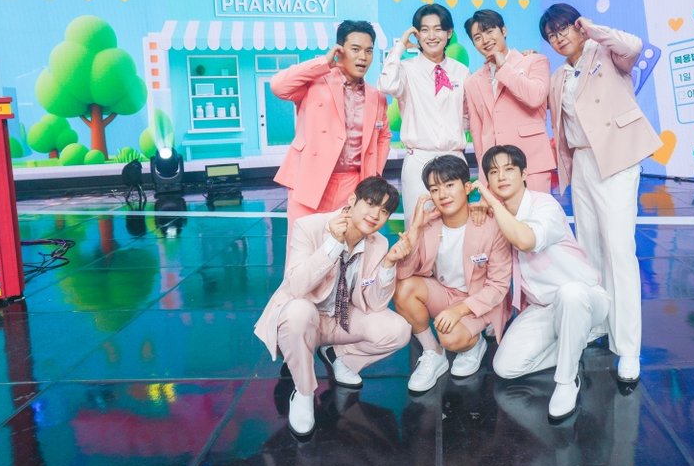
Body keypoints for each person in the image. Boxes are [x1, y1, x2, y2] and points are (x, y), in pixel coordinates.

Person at [541, 3, 662, 387]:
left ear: (579, 26)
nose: (559, 38)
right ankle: (598, 324)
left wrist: (595, 29)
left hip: (617, 158)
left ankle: (628, 347)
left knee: (619, 250)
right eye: (551, 34)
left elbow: (635, 47)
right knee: (590, 249)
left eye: (564, 28)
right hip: (582, 163)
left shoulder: (606, 52)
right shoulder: (559, 76)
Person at [253, 176, 412, 436]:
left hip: (340, 319)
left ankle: (340, 358)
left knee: (399, 330)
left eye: (384, 211)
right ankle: (303, 393)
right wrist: (333, 244)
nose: (375, 215)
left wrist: (388, 265)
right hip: (304, 320)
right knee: (298, 311)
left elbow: (375, 304)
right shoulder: (309, 227)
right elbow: (297, 287)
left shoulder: (379, 243)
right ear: (352, 201)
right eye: (371, 204)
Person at [473, 145, 611, 420]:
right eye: (494, 172)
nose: (501, 177)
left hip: (585, 296)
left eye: (509, 169)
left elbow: (526, 240)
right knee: (505, 367)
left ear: (524, 174)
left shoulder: (544, 205)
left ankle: (567, 381)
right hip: (542, 307)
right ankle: (575, 340)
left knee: (570, 294)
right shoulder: (497, 214)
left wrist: (491, 202)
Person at [392, 154, 512, 392]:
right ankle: (432, 352)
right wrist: (414, 230)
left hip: (478, 300)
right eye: (435, 189)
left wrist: (459, 310)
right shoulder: (428, 224)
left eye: (449, 185)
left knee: (450, 338)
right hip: (445, 293)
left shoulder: (490, 225)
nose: (443, 194)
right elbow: (404, 274)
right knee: (403, 288)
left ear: (466, 188)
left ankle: (474, 345)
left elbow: (499, 285)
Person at [270, 20, 391, 228]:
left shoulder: (376, 97)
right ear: (339, 50)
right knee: (303, 244)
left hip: (354, 185)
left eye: (369, 51)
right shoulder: (315, 83)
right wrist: (323, 63)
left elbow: (384, 136)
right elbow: (278, 86)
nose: (363, 57)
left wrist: (374, 174)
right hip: (310, 179)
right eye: (355, 49)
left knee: (344, 244)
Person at [378, 4, 469, 210]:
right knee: (419, 221)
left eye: (438, 29)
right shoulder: (406, 69)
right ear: (417, 35)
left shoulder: (461, 71)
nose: (432, 36)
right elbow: (387, 85)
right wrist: (400, 47)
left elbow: (467, 114)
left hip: (454, 158)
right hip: (419, 159)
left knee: (456, 222)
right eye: (425, 30)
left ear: (449, 33)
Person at [464, 10, 554, 192]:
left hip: (532, 162)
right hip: (495, 170)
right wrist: (483, 174)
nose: (485, 40)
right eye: (478, 37)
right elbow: (477, 130)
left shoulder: (534, 61)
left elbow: (535, 97)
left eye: (489, 31)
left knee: (535, 210)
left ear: (503, 30)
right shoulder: (473, 81)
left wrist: (503, 66)